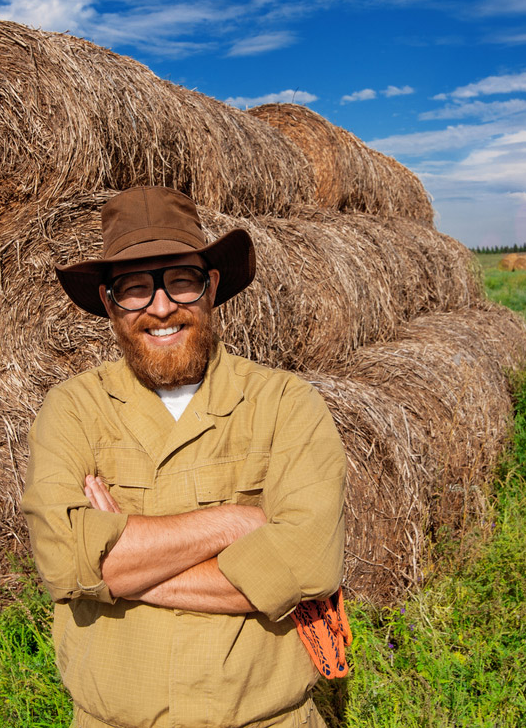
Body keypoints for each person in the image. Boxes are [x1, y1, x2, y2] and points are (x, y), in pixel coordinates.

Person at [21, 186, 347, 728]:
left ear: (211, 287)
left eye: (181, 280)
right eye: (134, 288)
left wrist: (113, 561)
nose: (161, 306)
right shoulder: (73, 409)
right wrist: (234, 523)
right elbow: (61, 559)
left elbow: (308, 565)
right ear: (107, 302)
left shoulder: (287, 403)